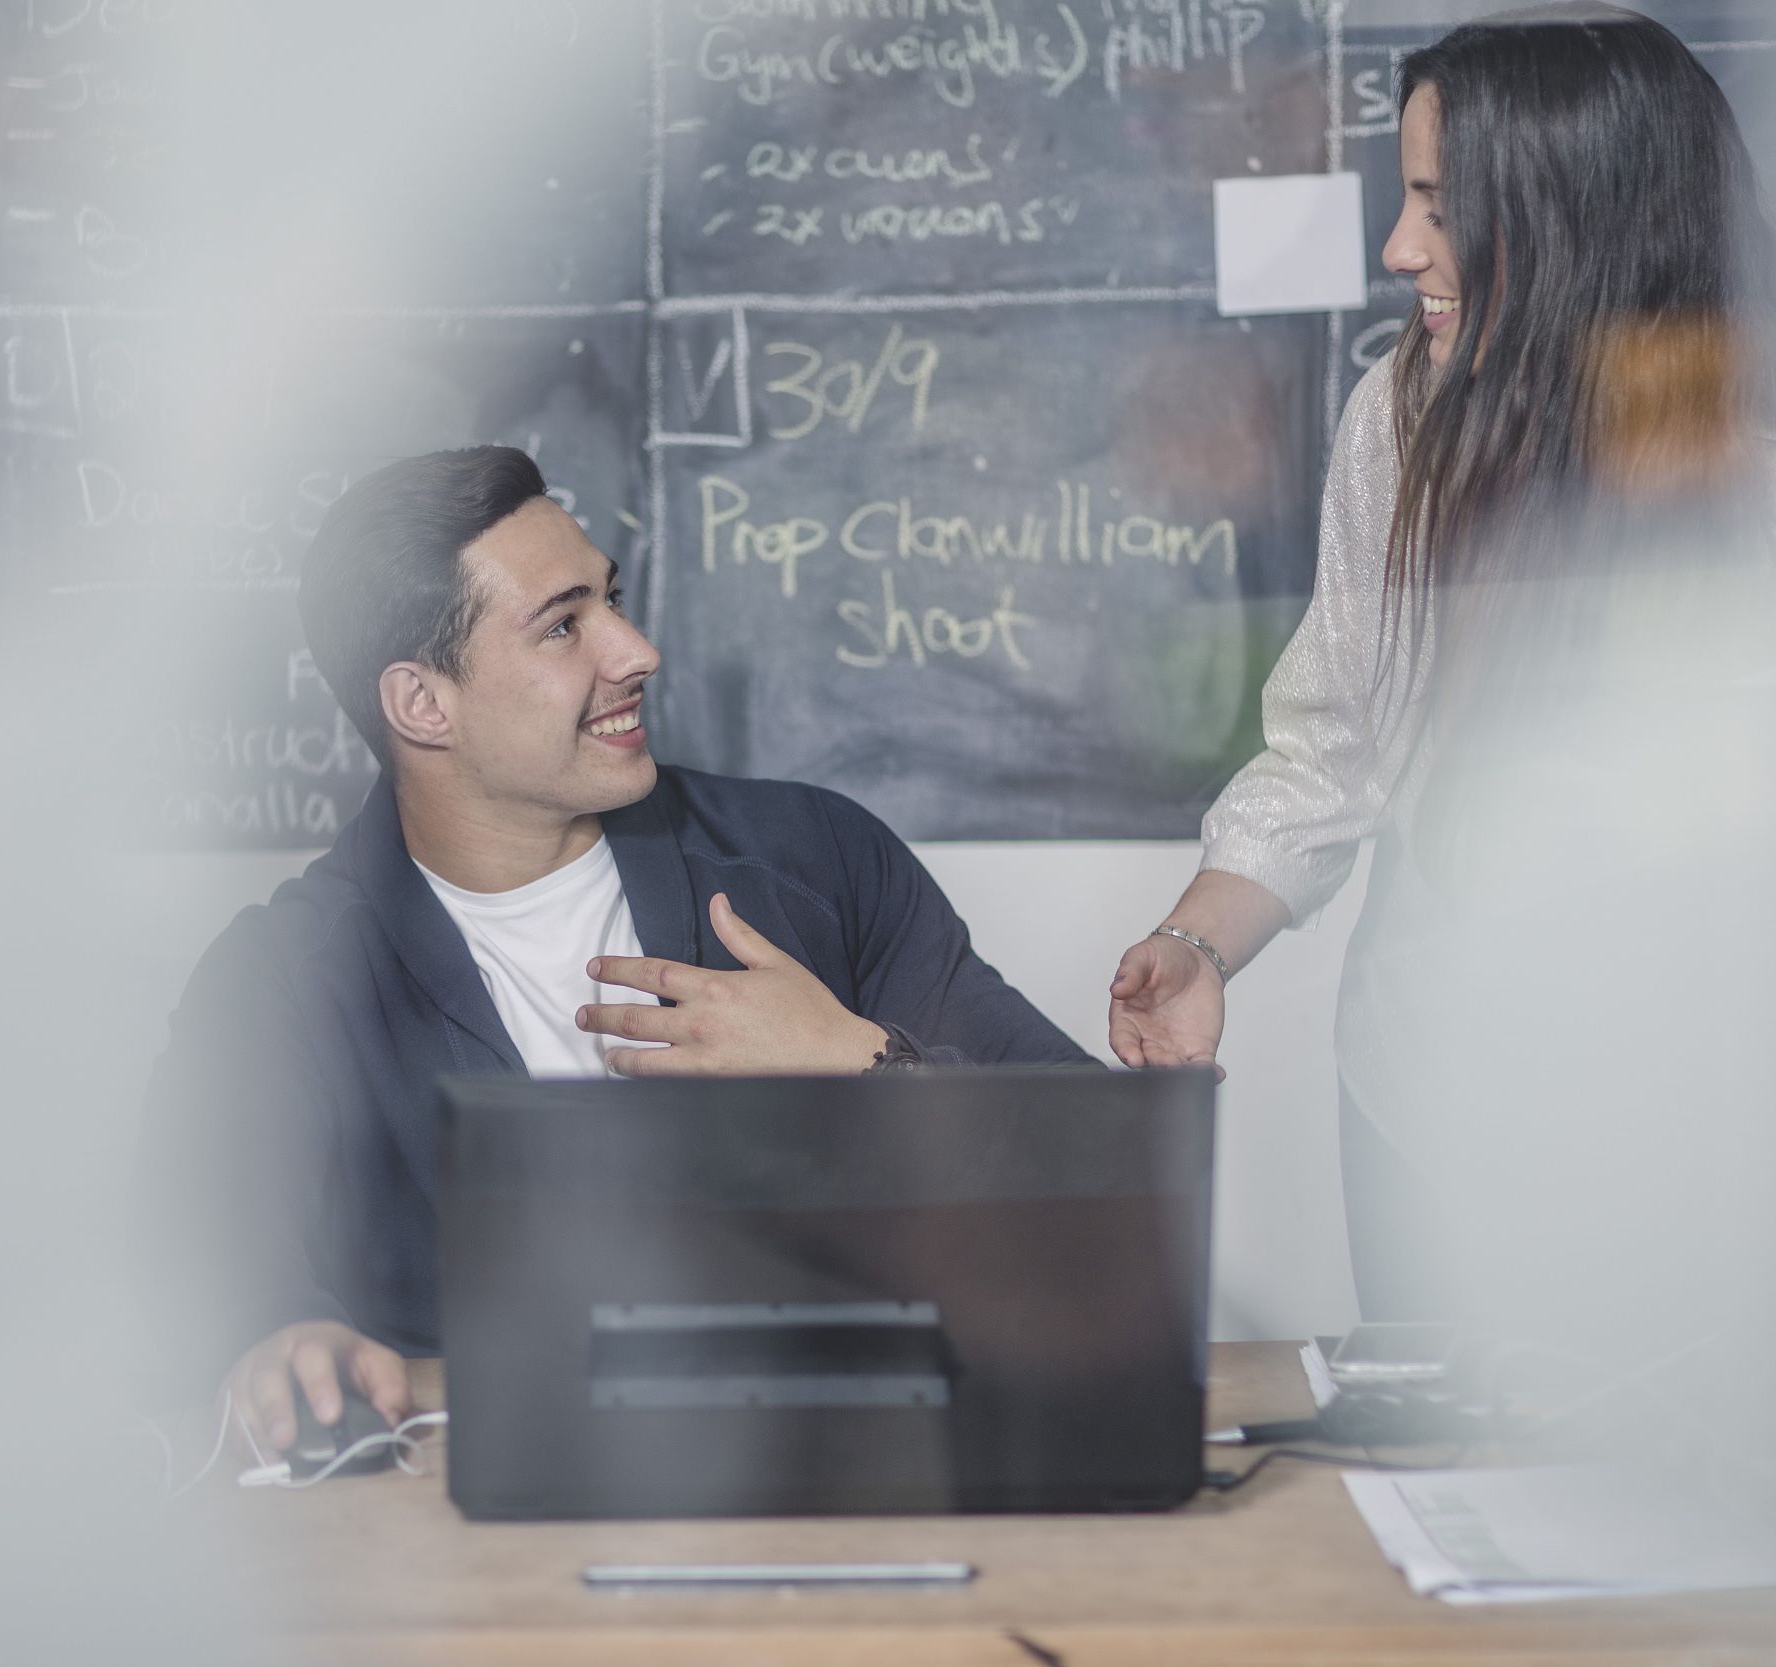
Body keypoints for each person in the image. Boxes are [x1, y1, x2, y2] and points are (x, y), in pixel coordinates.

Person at [138, 445, 1090, 1455]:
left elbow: (1104, 1177)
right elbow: (208, 1282)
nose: (637, 650)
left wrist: (858, 1061)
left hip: (863, 1479)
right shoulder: (283, 982)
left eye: (613, 599)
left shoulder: (817, 857)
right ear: (422, 703)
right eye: (563, 625)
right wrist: (277, 1343)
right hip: (474, 1528)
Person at [1103, 4, 1771, 1319]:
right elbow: (1335, 740)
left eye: (1444, 207)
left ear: (1586, 211)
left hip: (1704, 1115)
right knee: (1444, 1430)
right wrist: (1196, 943)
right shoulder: (1405, 410)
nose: (1400, 248)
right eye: (1407, 197)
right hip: (1429, 1098)